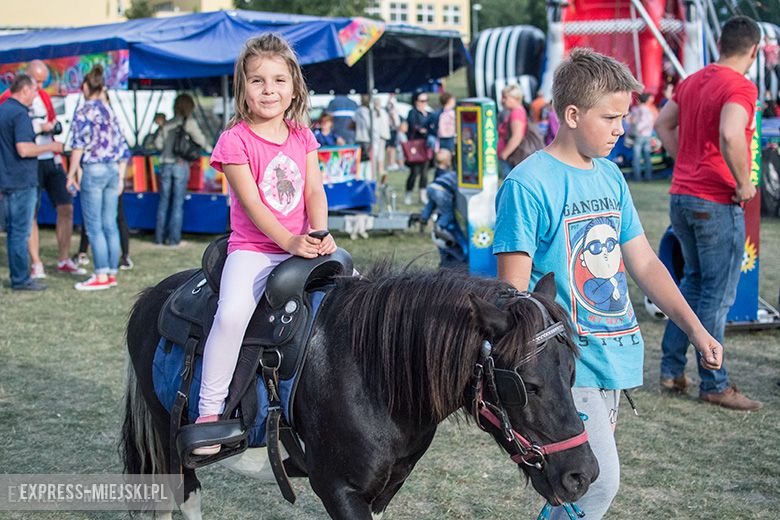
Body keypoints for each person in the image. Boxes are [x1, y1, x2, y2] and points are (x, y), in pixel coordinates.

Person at [493, 49, 724, 520]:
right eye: (612, 117)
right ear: (573, 115)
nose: (622, 128)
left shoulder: (611, 176)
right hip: (566, 366)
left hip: (614, 355)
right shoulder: (528, 184)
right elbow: (513, 297)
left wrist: (696, 328)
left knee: (578, 488)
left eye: (624, 116)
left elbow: (644, 263)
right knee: (596, 484)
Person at [193, 33, 336, 455]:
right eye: (257, 81)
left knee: (354, 299)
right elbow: (253, 205)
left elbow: (314, 192)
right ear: (243, 89)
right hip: (256, 249)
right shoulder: (235, 141)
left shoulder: (302, 136)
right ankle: (210, 409)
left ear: (294, 87)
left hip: (303, 244)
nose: (268, 90)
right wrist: (290, 240)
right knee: (233, 314)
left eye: (278, 80)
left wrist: (319, 231)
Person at [654, 15, 762, 411]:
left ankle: (670, 370)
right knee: (716, 295)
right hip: (716, 200)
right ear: (752, 50)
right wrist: (743, 183)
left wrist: (681, 158)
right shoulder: (741, 86)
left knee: (693, 285)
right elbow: (732, 133)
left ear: (720, 43)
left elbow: (663, 124)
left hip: (682, 195)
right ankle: (714, 382)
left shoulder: (694, 80)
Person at [1, 60, 84, 278]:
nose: (39, 86)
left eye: (42, 81)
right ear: (26, 78)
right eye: (36, 81)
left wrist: (51, 127)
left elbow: (53, 122)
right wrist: (38, 128)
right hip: (29, 162)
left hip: (51, 157)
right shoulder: (9, 101)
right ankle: (35, 262)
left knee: (66, 206)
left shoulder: (45, 97)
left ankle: (64, 257)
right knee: (30, 212)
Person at [66, 65, 130, 291]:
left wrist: (71, 173)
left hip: (93, 169)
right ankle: (110, 272)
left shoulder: (84, 111)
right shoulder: (109, 110)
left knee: (94, 226)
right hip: (112, 169)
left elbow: (78, 146)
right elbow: (124, 147)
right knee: (109, 223)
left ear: (85, 86)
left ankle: (101, 273)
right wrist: (121, 176)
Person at [0, 73, 64, 291]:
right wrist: (51, 147)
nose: (36, 95)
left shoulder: (3, 110)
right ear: (24, 90)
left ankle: (19, 275)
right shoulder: (20, 114)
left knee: (12, 231)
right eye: (35, 90)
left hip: (7, 178)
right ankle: (20, 279)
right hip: (22, 180)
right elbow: (24, 149)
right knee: (20, 231)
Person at [154, 93, 211, 247]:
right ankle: (174, 240)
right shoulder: (189, 122)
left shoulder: (167, 124)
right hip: (180, 165)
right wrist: (210, 149)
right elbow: (201, 140)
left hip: (165, 164)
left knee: (164, 202)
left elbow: (158, 145)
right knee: (177, 204)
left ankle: (159, 239)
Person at [421, 149, 467, 267]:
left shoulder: (445, 173)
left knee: (431, 204)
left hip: (432, 187)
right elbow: (457, 192)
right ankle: (439, 227)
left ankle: (424, 217)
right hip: (442, 192)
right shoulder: (457, 176)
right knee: (448, 213)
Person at [404, 92, 433, 205]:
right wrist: (422, 129)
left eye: (425, 100)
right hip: (415, 147)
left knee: (425, 173)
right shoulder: (413, 113)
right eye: (421, 101)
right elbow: (412, 125)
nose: (423, 103)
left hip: (426, 147)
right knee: (415, 172)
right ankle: (409, 193)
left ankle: (422, 195)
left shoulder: (429, 114)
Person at [497, 84, 528, 179]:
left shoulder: (516, 113)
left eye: (505, 97)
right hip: (510, 158)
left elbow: (517, 137)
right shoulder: (516, 111)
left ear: (516, 98)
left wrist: (504, 154)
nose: (502, 101)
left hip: (511, 159)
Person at [629, 93, 657, 182]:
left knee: (636, 157)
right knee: (647, 156)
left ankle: (637, 177)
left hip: (639, 135)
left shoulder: (637, 109)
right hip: (647, 135)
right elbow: (650, 121)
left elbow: (633, 121)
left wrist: (637, 129)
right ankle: (648, 176)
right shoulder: (648, 110)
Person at [385, 93, 402, 171]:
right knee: (392, 146)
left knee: (390, 146)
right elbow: (392, 113)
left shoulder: (389, 101)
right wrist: (397, 124)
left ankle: (391, 163)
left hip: (390, 126)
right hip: (392, 126)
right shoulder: (391, 101)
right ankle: (391, 163)